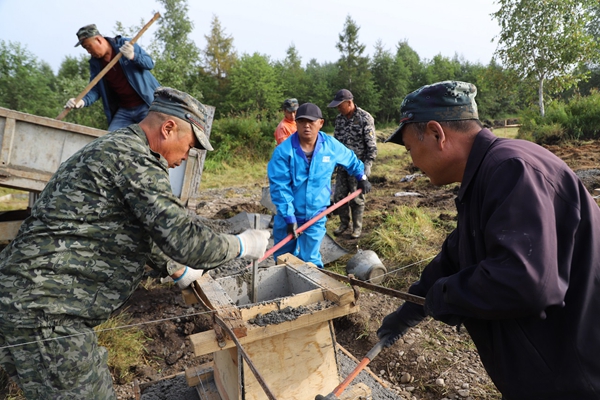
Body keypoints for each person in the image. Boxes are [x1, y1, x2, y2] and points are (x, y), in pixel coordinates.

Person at [0, 87, 271, 399]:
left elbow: (135, 225)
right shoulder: (135, 160)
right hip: (48, 313)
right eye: (189, 146)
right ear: (168, 128)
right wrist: (242, 245)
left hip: (26, 299)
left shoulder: (115, 147)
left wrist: (176, 269)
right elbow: (185, 240)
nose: (186, 156)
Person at [377, 81, 600, 399]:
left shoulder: (511, 170)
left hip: (577, 377)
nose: (413, 162)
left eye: (410, 148)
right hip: (552, 370)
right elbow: (456, 255)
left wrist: (445, 296)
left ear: (437, 134)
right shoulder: (486, 173)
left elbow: (526, 282)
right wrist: (408, 312)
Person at [267, 103, 371, 268]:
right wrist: (289, 218)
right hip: (289, 215)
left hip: (316, 214)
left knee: (311, 261)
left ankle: (310, 282)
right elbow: (280, 188)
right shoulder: (284, 152)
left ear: (320, 123)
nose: (306, 126)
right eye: (302, 121)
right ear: (296, 123)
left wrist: (361, 177)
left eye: (311, 121)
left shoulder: (330, 146)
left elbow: (351, 159)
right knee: (283, 259)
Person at [65, 23, 160, 132]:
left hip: (146, 106)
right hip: (125, 111)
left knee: (153, 137)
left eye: (88, 47)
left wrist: (133, 56)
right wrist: (82, 101)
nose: (88, 52)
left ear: (98, 40)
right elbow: (95, 89)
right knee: (109, 139)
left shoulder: (125, 44)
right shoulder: (95, 63)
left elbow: (149, 63)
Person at [327, 89, 377, 238]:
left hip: (358, 167)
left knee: (356, 199)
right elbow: (336, 144)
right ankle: (344, 224)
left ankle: (357, 227)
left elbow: (372, 146)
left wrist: (366, 169)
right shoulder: (339, 119)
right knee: (339, 197)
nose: (338, 108)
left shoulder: (365, 118)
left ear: (349, 103)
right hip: (342, 166)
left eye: (340, 105)